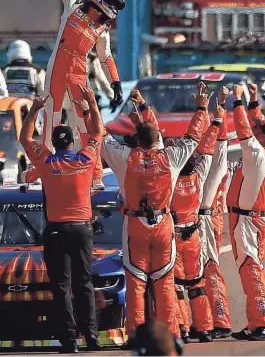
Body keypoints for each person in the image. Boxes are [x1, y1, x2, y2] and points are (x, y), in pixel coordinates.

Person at [101, 83, 209, 342]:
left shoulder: (125, 157)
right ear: (156, 139)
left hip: (135, 226)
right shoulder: (170, 157)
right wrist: (202, 108)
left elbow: (100, 136)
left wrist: (88, 109)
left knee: (136, 282)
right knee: (164, 282)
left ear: (136, 139)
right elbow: (194, 137)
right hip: (163, 225)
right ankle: (170, 334)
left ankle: (137, 335)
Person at [19, 86, 104, 353]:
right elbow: (97, 133)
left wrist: (34, 109)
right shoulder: (85, 159)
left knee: (61, 286)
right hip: (81, 229)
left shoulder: (46, 161)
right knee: (84, 283)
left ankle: (70, 342)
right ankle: (92, 337)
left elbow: (25, 137)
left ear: (54, 144)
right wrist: (91, 100)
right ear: (71, 143)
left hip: (56, 230)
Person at [40, 0, 124, 190]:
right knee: (51, 117)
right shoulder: (73, 5)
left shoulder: (102, 30)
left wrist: (117, 84)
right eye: (112, 4)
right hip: (57, 67)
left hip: (79, 73)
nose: (113, 10)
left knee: (85, 123)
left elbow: (106, 58)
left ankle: (95, 174)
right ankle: (44, 168)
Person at [228, 83, 265, 341]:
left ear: (261, 136)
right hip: (254, 218)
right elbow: (255, 124)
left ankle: (263, 321)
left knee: (250, 270)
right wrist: (254, 98)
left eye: (258, 128)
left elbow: (243, 129)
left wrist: (237, 101)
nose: (255, 126)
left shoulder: (257, 153)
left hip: (247, 221)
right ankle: (256, 322)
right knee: (252, 268)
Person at [170, 96, 225, 343]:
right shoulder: (199, 176)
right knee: (197, 283)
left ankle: (182, 327)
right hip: (194, 235)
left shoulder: (167, 179)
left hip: (171, 236)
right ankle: (204, 328)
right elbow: (206, 149)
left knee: (175, 285)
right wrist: (216, 120)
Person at [199, 87, 232, 339]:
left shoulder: (214, 168)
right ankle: (202, 322)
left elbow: (219, 145)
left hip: (204, 221)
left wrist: (219, 108)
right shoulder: (205, 165)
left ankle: (219, 320)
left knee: (208, 269)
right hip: (198, 222)